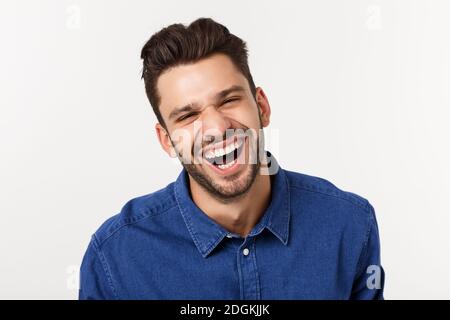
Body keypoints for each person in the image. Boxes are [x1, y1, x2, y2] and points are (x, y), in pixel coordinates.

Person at [79, 17, 384, 300]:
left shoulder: (351, 224)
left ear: (261, 106)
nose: (217, 128)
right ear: (166, 139)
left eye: (229, 100)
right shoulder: (114, 257)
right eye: (188, 115)